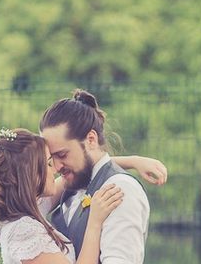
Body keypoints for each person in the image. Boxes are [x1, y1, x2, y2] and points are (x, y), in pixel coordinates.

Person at [0, 127, 167, 264]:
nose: (57, 169)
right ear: (31, 176)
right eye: (49, 164)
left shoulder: (25, 210)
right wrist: (95, 222)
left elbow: (80, 170)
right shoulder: (25, 230)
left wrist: (133, 161)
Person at [40, 89, 161, 264]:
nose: (57, 167)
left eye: (63, 155)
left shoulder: (120, 189)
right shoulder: (71, 182)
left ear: (91, 140)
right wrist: (132, 161)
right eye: (52, 158)